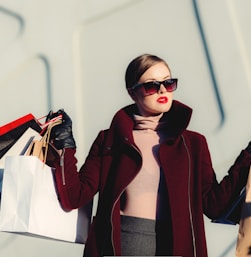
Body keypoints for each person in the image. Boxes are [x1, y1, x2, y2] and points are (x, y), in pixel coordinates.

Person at [47, 54, 251, 257]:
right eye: (151, 86)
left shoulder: (193, 144)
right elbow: (74, 197)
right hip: (122, 246)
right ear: (132, 93)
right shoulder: (110, 140)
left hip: (176, 248)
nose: (162, 90)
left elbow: (214, 206)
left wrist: (248, 156)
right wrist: (65, 146)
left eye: (168, 83)